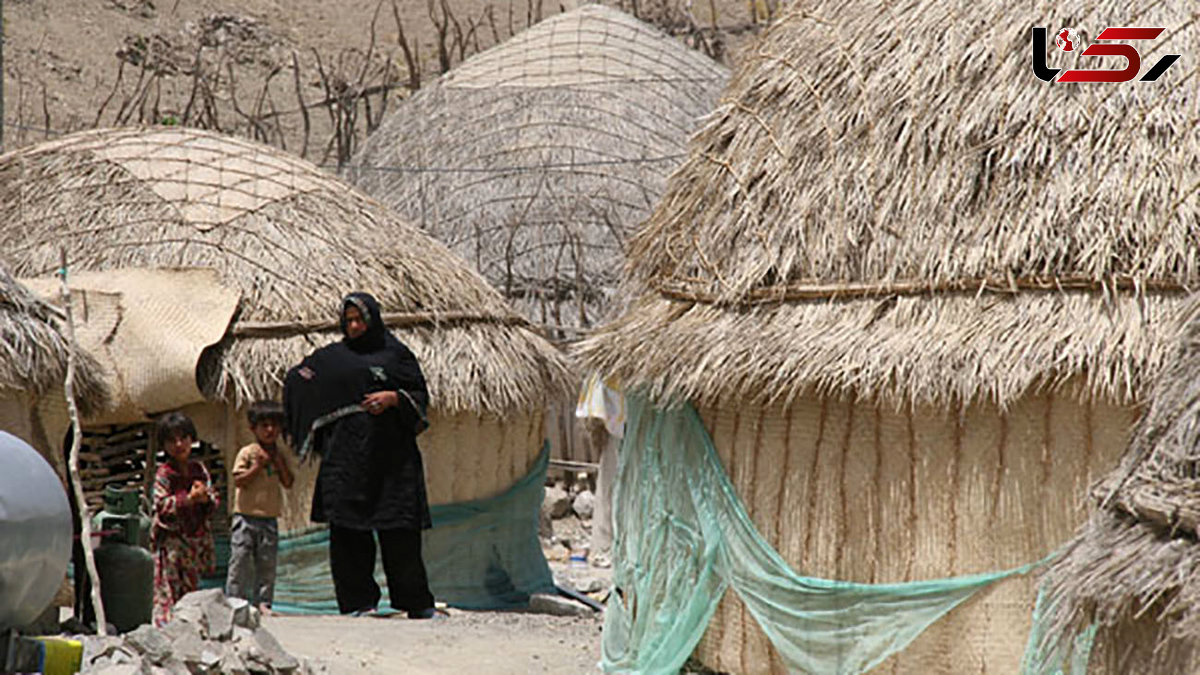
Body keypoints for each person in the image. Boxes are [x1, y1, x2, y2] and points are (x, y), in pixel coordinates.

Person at [283, 292, 438, 618]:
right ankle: (358, 603)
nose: (354, 326)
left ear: (373, 319)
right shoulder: (332, 358)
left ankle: (415, 603)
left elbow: (420, 397)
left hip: (393, 461)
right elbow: (299, 379)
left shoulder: (397, 355)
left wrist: (394, 398)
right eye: (349, 320)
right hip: (346, 460)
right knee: (348, 533)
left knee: (401, 533)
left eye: (360, 319)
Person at [226, 400, 294, 614]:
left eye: (274, 425)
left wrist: (278, 463)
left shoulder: (279, 455)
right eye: (264, 425)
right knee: (240, 561)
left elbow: (288, 482)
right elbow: (239, 480)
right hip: (245, 517)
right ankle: (234, 601)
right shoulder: (248, 452)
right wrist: (258, 466)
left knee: (267, 564)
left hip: (269, 518)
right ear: (253, 428)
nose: (270, 430)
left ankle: (264, 602)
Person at [151, 411, 219, 626]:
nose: (178, 444)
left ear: (192, 439)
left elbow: (214, 500)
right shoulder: (164, 473)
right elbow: (160, 505)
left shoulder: (198, 470)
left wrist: (205, 498)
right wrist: (188, 499)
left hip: (193, 545)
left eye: (183, 438)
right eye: (171, 440)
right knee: (168, 593)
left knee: (190, 593)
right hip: (171, 545)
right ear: (164, 445)